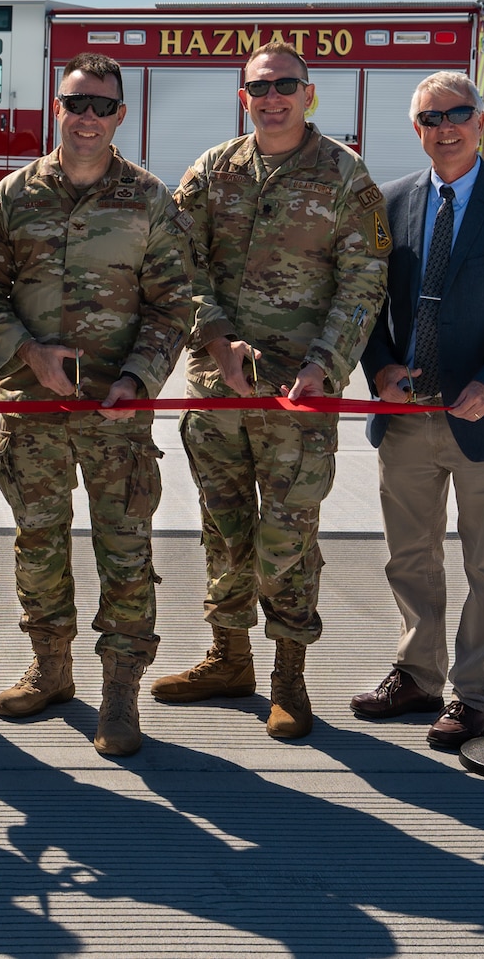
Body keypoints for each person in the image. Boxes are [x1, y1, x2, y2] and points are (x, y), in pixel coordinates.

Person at [150, 39, 390, 740]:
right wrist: (216, 339)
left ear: (309, 94)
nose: (273, 97)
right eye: (260, 87)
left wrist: (325, 365)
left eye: (286, 85)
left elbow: (364, 283)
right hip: (217, 387)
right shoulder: (213, 170)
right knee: (223, 527)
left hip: (298, 395)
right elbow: (179, 262)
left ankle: (289, 677)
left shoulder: (344, 176)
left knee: (288, 534)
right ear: (243, 97)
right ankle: (229, 658)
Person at [0, 52, 200, 757]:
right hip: (33, 407)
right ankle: (51, 667)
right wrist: (27, 354)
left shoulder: (150, 200)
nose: (89, 118)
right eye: (76, 103)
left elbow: (174, 304)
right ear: (58, 108)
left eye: (103, 106)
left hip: (116, 415)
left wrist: (138, 378)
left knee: (125, 551)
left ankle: (120, 691)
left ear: (121, 115)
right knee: (37, 544)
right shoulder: (13, 196)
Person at [351, 72, 484, 749]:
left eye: (458, 114)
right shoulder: (389, 202)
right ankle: (417, 675)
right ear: (416, 129)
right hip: (405, 415)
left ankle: (475, 697)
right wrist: (379, 367)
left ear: (480, 120)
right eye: (431, 118)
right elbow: (365, 303)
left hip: (480, 418)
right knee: (409, 558)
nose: (445, 128)